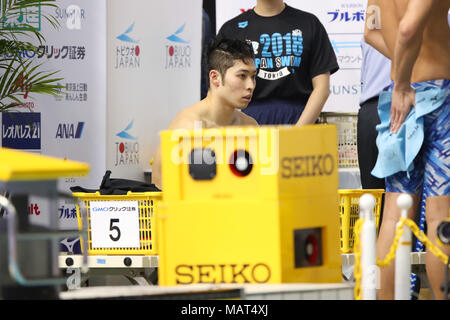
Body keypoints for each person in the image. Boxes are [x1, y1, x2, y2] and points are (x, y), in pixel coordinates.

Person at [365, 0, 449, 300]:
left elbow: (370, 31)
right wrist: (403, 81)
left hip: (399, 104)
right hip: (435, 96)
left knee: (393, 217)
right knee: (441, 218)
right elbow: (408, 27)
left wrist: (404, 67)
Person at [152, 38, 258, 190]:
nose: (250, 86)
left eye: (253, 77)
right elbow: (161, 187)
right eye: (242, 76)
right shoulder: (187, 128)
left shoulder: (250, 126)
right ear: (215, 78)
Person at [217, 0, 338, 125]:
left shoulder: (309, 23)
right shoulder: (232, 29)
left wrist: (299, 131)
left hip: (302, 120)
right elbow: (219, 89)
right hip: (250, 123)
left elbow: (322, 88)